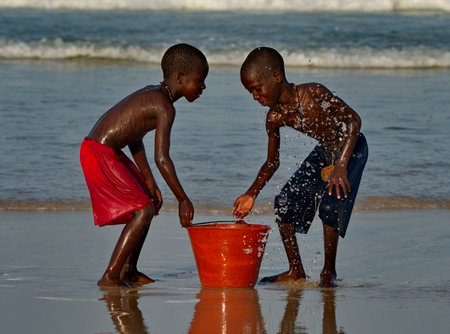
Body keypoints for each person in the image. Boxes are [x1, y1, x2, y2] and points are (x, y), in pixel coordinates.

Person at [233, 47, 368, 287]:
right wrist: (251, 193)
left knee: (330, 203)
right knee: (283, 202)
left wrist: (341, 165)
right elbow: (272, 162)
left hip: (353, 147)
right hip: (325, 151)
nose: (255, 96)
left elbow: (353, 121)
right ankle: (295, 270)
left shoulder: (314, 93)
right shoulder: (275, 118)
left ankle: (329, 272)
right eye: (250, 92)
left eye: (257, 88)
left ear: (276, 77)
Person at [80, 43, 208, 287]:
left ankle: (129, 270)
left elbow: (134, 135)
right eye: (199, 81)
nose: (203, 87)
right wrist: (182, 199)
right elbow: (163, 158)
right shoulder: (164, 107)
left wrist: (148, 180)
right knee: (144, 210)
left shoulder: (155, 95)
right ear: (180, 78)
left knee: (149, 203)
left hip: (105, 150)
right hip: (99, 152)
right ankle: (110, 275)